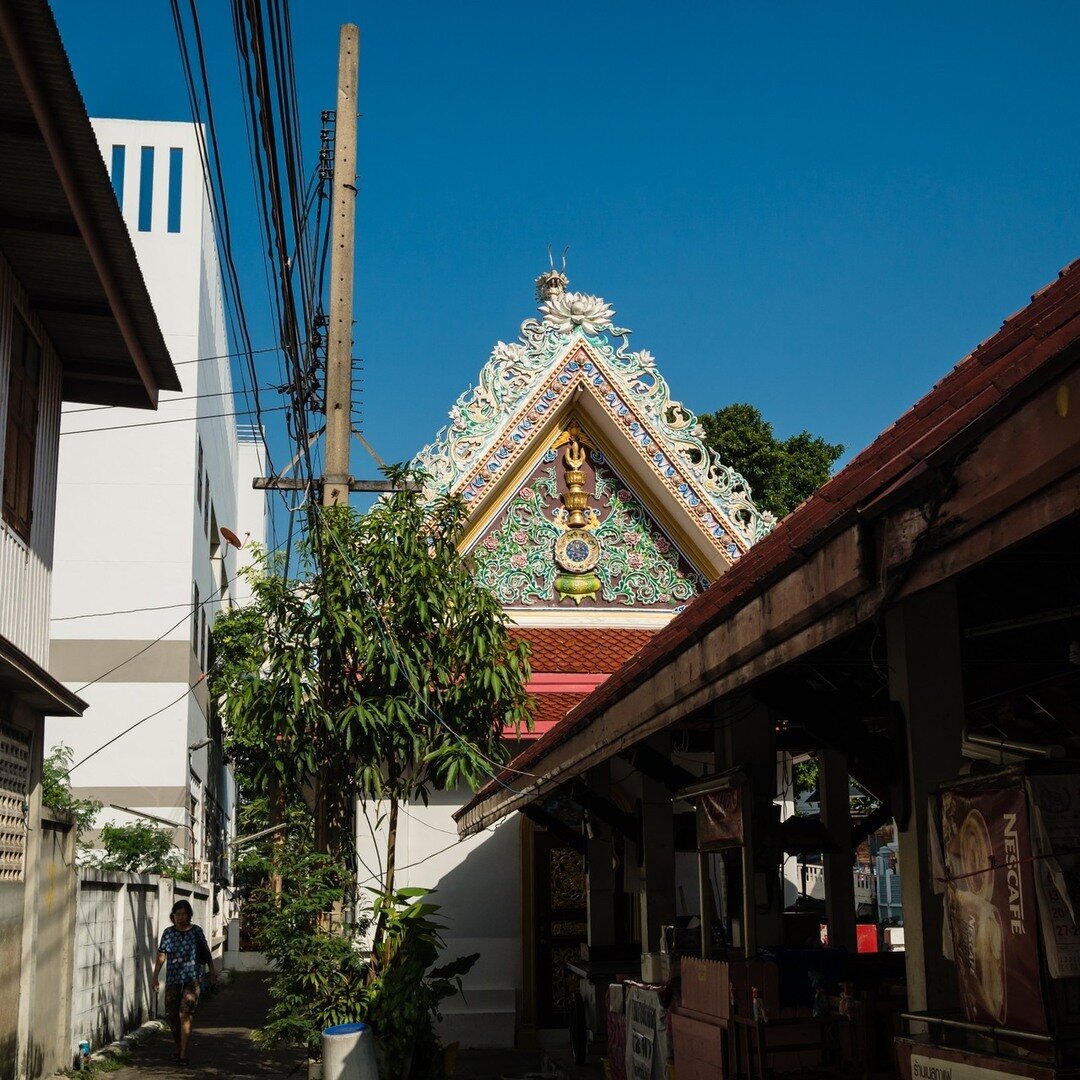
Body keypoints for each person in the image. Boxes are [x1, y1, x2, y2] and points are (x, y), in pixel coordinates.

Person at [151, 900, 216, 1065]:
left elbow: (206, 952)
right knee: (171, 1016)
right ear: (173, 916)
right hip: (173, 979)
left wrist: (212, 971)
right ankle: (179, 1046)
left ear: (189, 915)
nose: (180, 917)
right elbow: (161, 955)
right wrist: (155, 976)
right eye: (177, 914)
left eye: (183, 914)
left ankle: (184, 1053)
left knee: (185, 1014)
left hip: (192, 979)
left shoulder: (196, 932)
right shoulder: (168, 933)